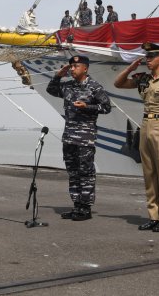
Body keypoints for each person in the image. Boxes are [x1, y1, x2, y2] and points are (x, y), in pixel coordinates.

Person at [114, 43, 159, 233]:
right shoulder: (143, 79)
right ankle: (154, 216)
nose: (148, 60)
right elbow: (118, 83)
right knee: (149, 173)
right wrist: (130, 68)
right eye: (146, 57)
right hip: (145, 126)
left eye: (152, 57)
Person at [46, 55, 111, 221]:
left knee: (86, 172)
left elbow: (106, 107)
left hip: (85, 137)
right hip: (69, 137)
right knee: (73, 172)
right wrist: (59, 75)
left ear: (85, 68)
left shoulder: (94, 87)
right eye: (71, 67)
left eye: (76, 66)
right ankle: (76, 205)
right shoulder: (68, 86)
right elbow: (51, 90)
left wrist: (87, 106)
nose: (72, 69)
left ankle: (86, 207)